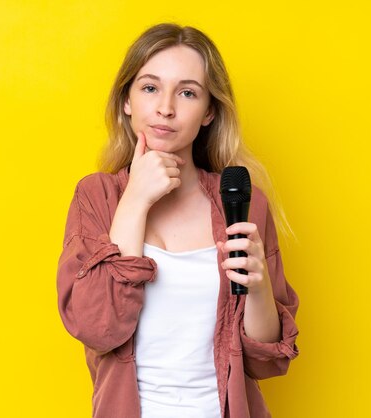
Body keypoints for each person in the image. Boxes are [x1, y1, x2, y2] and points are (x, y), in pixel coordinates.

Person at [57, 23, 299, 418]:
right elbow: (97, 328)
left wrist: (258, 287)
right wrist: (135, 200)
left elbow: (265, 362)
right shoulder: (97, 198)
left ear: (208, 113)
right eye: (150, 88)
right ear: (127, 101)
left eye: (188, 92)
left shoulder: (244, 204)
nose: (166, 107)